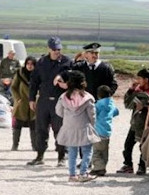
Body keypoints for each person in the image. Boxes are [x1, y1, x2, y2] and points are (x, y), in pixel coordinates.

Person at [26, 37, 71, 166]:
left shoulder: (66, 62)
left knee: (60, 129)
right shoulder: (41, 63)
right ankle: (40, 156)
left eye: (59, 49)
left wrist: (63, 77)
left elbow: (71, 74)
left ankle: (62, 157)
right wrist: (31, 99)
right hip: (44, 101)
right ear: (49, 49)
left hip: (59, 101)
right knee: (40, 129)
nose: (57, 51)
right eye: (54, 49)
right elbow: (34, 82)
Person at [55, 70, 101, 183]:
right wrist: (92, 124)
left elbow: (58, 111)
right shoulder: (87, 97)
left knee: (72, 152)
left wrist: (67, 117)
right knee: (87, 151)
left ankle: (72, 175)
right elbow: (92, 114)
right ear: (82, 83)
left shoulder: (63, 96)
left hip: (69, 127)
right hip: (84, 127)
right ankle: (83, 173)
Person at [117, 69, 149, 175]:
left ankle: (142, 167)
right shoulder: (137, 90)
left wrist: (145, 106)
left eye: (139, 78)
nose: (137, 80)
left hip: (145, 125)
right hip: (135, 123)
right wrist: (131, 90)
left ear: (146, 80)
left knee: (143, 147)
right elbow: (127, 104)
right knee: (128, 145)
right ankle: (128, 165)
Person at [90, 85, 120, 176]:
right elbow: (116, 112)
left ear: (98, 95)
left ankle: (98, 168)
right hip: (107, 131)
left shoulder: (98, 104)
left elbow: (93, 114)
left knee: (96, 151)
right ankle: (103, 166)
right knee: (104, 151)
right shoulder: (111, 104)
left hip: (98, 131)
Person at [10, 56, 38, 151]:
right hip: (21, 103)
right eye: (28, 64)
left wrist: (38, 98)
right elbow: (13, 87)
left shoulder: (38, 74)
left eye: (32, 64)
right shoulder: (20, 73)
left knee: (34, 125)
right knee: (17, 125)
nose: (29, 66)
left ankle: (34, 146)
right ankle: (15, 145)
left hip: (34, 103)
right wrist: (18, 98)